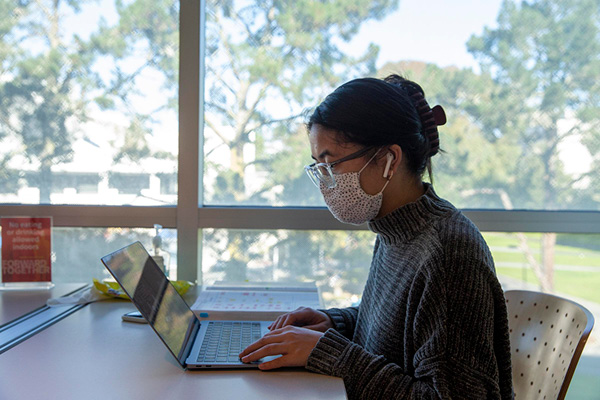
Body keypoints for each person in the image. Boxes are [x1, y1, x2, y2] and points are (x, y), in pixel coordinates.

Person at [239, 74, 513, 399]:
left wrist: (332, 354)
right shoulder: (395, 229)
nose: (326, 183)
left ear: (388, 160)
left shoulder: (448, 255)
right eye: (318, 167)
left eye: (331, 164)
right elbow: (399, 333)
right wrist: (335, 324)